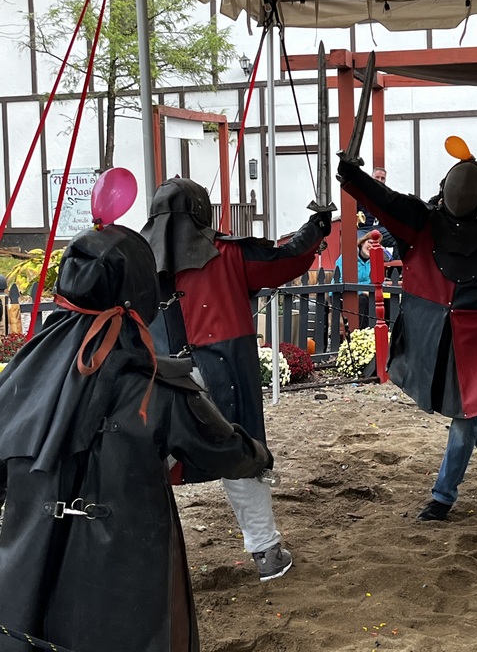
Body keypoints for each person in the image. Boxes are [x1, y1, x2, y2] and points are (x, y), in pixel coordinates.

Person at [0, 224, 271, 652]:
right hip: (129, 583)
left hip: (27, 573)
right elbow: (222, 450)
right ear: (140, 290)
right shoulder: (157, 385)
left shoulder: (23, 374)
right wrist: (257, 455)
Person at [337, 139, 477, 522]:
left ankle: (443, 496)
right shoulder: (428, 219)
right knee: (468, 409)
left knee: (465, 414)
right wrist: (354, 179)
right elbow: (387, 200)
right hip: (443, 327)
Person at [141, 177, 330, 581]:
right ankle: (265, 553)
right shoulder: (226, 253)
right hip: (221, 371)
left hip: (158, 376)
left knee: (147, 462)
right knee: (241, 457)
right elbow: (285, 259)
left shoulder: (134, 260)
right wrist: (317, 227)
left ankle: (147, 561)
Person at [333, 231, 391, 329]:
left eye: (375, 244)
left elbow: (378, 280)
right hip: (343, 293)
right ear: (362, 242)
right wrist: (362, 291)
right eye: (369, 242)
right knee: (363, 300)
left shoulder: (374, 261)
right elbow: (341, 280)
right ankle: (362, 332)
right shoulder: (347, 257)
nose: (371, 246)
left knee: (387, 299)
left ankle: (386, 331)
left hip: (367, 293)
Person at [357, 166, 399, 257]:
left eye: (382, 178)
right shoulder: (361, 194)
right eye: (377, 177)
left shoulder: (388, 196)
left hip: (381, 229)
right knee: (354, 242)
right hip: (363, 229)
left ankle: (395, 268)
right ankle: (360, 269)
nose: (380, 180)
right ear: (371, 178)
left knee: (400, 238)